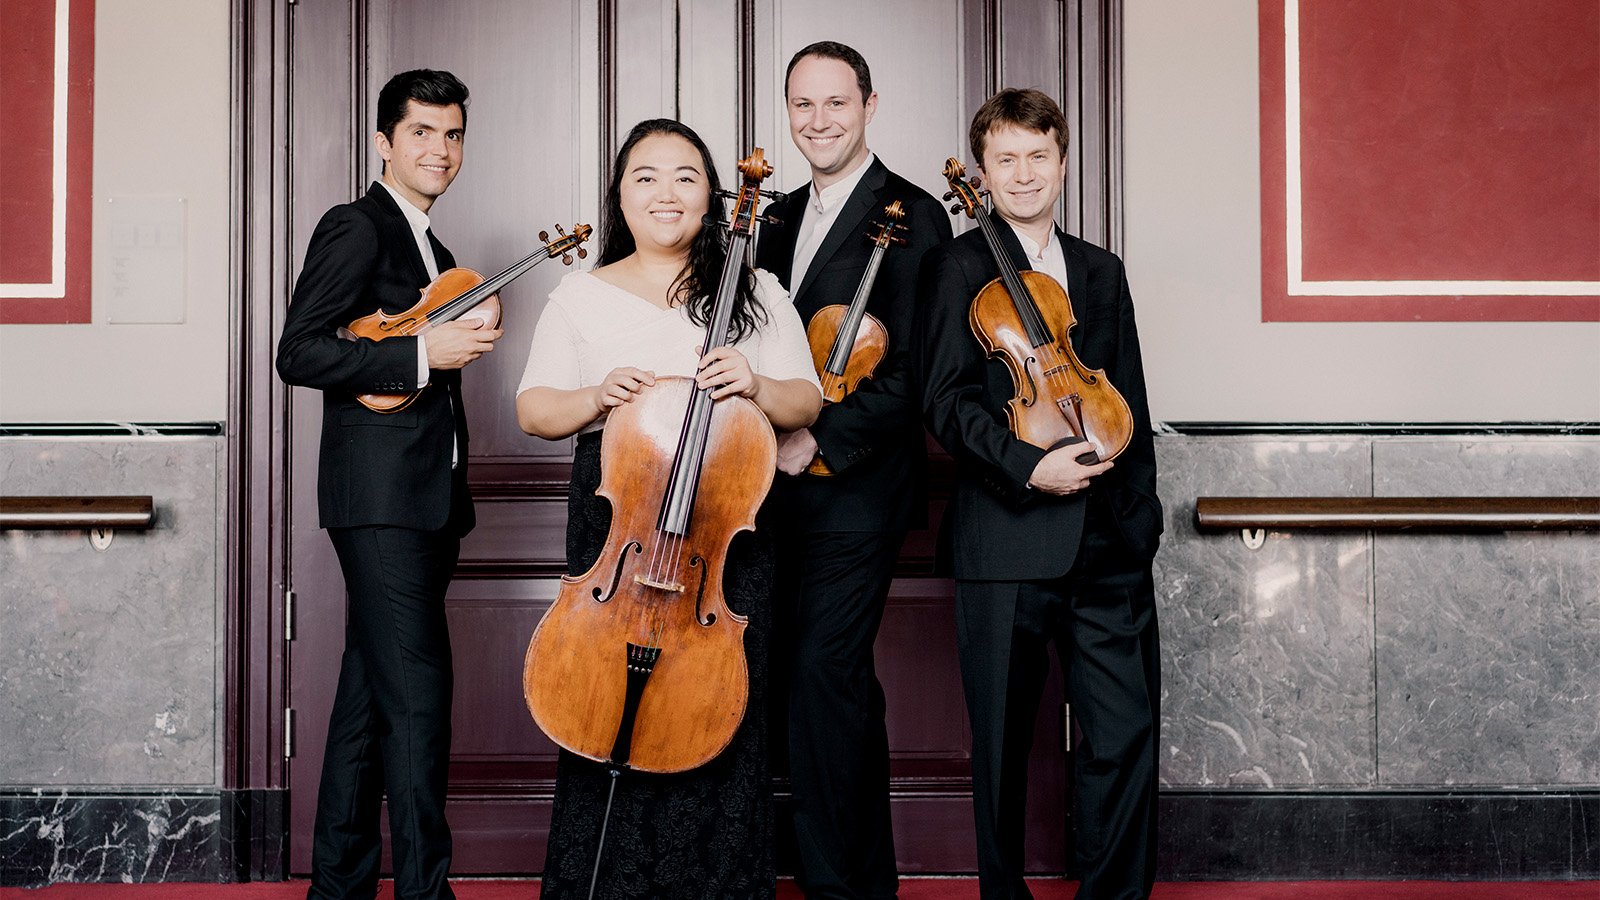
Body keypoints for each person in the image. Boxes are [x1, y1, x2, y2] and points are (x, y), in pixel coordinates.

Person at [515, 118, 822, 899]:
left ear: (712, 197)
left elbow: (805, 398)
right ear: (621, 192)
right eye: (646, 175)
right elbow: (534, 409)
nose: (665, 192)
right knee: (600, 704)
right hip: (618, 528)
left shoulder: (751, 289)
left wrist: (752, 381)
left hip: (721, 535)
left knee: (718, 715)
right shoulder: (582, 292)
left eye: (686, 176)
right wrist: (594, 393)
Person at [913, 88, 1162, 900]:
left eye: (1038, 157)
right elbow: (945, 400)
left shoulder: (1099, 270)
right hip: (1007, 536)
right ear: (982, 173)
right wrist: (1029, 466)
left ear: (1063, 162)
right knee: (1001, 745)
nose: (1023, 174)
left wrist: (1141, 522)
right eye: (1005, 159)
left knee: (1123, 736)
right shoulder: (955, 265)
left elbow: (1126, 398)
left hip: (1106, 542)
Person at [276, 69, 501, 900]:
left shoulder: (434, 250)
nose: (439, 150)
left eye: (452, 134)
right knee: (418, 698)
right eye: (420, 133)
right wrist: (418, 355)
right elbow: (297, 351)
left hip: (425, 502)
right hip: (378, 503)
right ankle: (425, 891)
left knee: (372, 694)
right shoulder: (357, 225)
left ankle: (337, 884)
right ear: (383, 141)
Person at [754, 40, 951, 900]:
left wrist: (821, 441)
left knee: (820, 678)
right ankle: (866, 878)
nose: (818, 120)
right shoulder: (773, 217)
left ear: (871, 105)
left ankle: (836, 886)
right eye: (803, 104)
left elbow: (913, 369)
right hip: (762, 492)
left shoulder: (915, 214)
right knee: (819, 684)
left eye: (836, 103)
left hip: (856, 492)